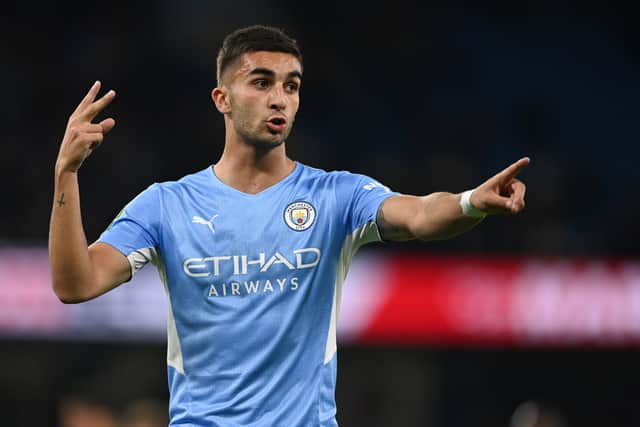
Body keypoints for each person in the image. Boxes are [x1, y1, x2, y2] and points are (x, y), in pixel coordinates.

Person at [49, 24, 529, 426]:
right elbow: (76, 283)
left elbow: (422, 215)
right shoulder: (166, 205)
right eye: (261, 82)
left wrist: (471, 202)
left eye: (291, 85)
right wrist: (66, 174)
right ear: (223, 98)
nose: (279, 98)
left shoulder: (337, 196)